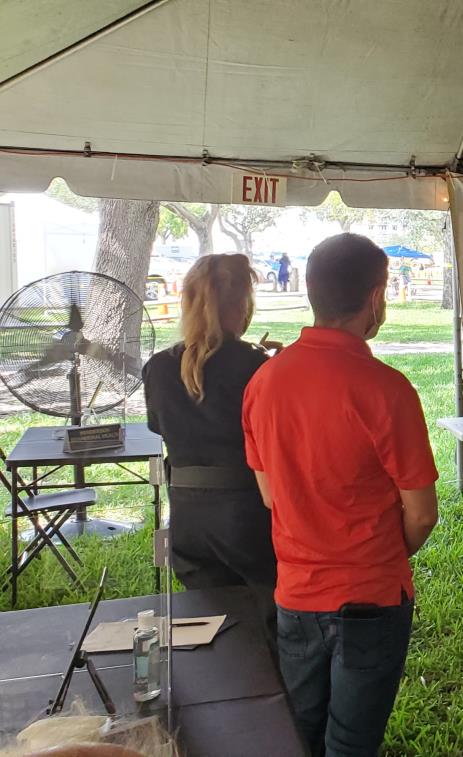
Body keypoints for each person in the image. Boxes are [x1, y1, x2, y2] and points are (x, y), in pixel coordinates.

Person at [243, 233, 439, 756]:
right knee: (353, 743)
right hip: (371, 595)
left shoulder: (264, 382)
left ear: (311, 291)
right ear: (376, 298)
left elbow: (269, 496)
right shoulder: (387, 388)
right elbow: (421, 515)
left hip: (295, 591)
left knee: (298, 734)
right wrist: (377, 555)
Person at [142, 254, 282, 631]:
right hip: (247, 510)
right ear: (241, 305)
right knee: (267, 621)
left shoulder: (157, 366)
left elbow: (159, 426)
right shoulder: (256, 366)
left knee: (207, 622)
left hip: (187, 513)